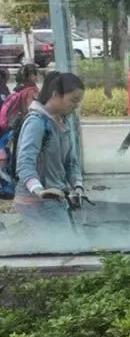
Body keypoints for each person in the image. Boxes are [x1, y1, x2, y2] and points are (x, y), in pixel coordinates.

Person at [14, 71, 85, 227]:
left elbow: (71, 162)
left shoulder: (65, 122)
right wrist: (39, 190)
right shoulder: (36, 123)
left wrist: (77, 185)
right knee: (63, 247)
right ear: (55, 94)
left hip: (56, 199)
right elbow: (25, 163)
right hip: (35, 202)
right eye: (73, 100)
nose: (76, 105)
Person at [0, 63, 38, 133]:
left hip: (12, 126)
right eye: (36, 74)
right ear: (32, 76)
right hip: (28, 125)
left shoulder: (19, 90)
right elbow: (32, 110)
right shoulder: (31, 91)